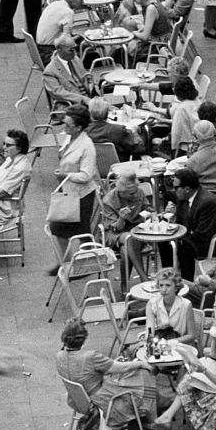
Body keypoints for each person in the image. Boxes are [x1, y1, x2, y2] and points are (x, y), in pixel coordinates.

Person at [55, 318, 157, 430]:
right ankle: (152, 420)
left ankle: (150, 418)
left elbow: (86, 372)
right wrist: (140, 363)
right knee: (143, 376)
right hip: (103, 402)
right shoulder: (90, 356)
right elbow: (122, 368)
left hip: (78, 400)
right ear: (84, 339)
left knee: (124, 378)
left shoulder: (59, 356)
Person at [47, 105, 101, 272]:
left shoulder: (87, 146)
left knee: (78, 231)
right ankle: (69, 261)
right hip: (69, 192)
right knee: (59, 227)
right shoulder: (70, 137)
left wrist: (66, 175)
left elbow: (86, 176)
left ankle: (84, 263)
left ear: (79, 127)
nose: (64, 127)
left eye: (68, 125)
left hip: (81, 196)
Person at [165, 168, 216, 282]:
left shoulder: (207, 202)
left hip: (215, 242)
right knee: (165, 241)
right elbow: (181, 221)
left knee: (184, 247)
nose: (174, 190)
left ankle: (186, 284)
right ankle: (167, 278)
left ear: (187, 189)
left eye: (176, 187)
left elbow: (202, 234)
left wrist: (179, 238)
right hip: (197, 235)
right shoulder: (184, 197)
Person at [0, 129, 33, 237]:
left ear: (19, 148)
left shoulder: (21, 168)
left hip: (5, 207)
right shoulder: (11, 159)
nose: (4, 147)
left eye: (8, 145)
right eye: (4, 143)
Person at [99, 170, 148, 251]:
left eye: (136, 191)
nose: (136, 195)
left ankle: (136, 264)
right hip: (115, 234)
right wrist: (121, 218)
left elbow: (147, 208)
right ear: (121, 192)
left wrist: (152, 214)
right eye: (131, 194)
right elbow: (115, 229)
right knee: (129, 238)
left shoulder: (139, 192)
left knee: (125, 250)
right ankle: (138, 264)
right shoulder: (109, 201)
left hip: (136, 229)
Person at [145, 268, 196, 343]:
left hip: (179, 344)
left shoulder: (186, 305)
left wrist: (170, 342)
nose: (163, 289)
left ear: (176, 287)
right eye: (161, 285)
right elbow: (149, 330)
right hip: (158, 342)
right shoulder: (152, 304)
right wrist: (151, 340)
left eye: (168, 285)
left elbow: (191, 336)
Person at [43, 35, 92, 107]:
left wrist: (92, 86)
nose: (74, 53)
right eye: (71, 50)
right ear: (59, 49)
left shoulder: (75, 59)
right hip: (72, 105)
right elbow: (59, 93)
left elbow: (86, 77)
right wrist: (83, 99)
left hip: (89, 98)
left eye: (75, 49)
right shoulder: (50, 71)